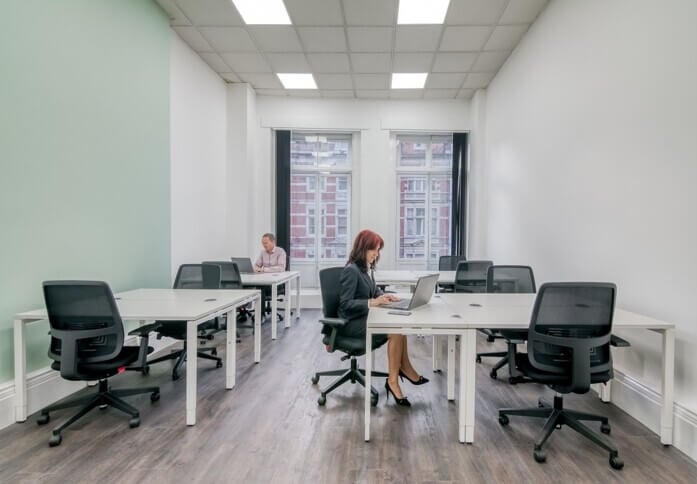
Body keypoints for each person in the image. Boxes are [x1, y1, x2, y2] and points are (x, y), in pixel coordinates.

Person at [338, 229, 428, 407]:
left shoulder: (365, 269)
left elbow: (372, 290)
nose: (377, 254)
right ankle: (394, 381)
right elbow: (345, 305)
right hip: (350, 324)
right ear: (363, 248)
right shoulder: (352, 271)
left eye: (378, 250)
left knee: (399, 325)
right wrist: (372, 302)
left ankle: (404, 370)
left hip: (363, 317)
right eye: (374, 250)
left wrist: (386, 296)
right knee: (395, 331)